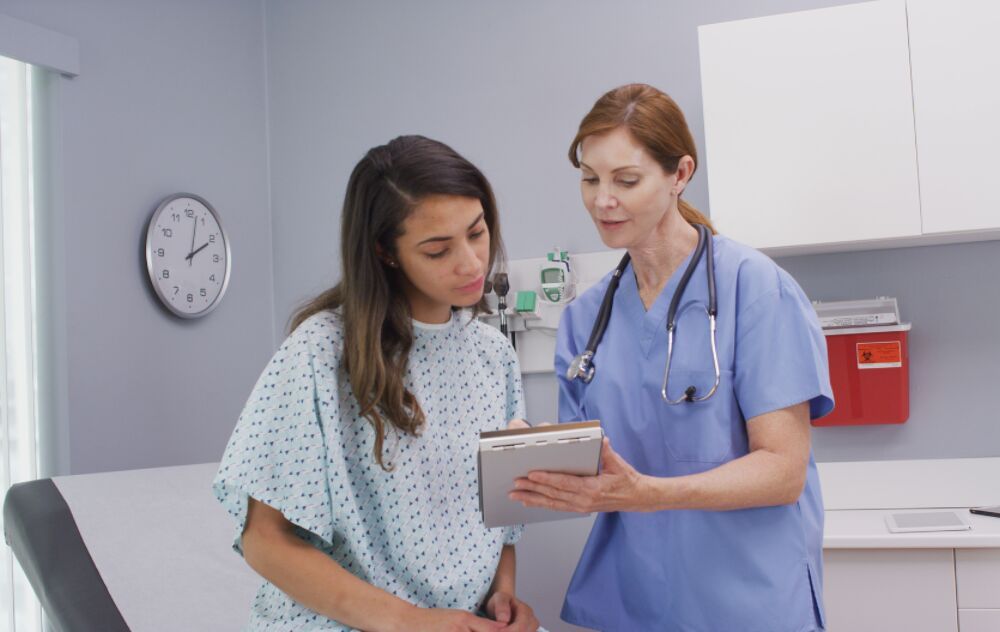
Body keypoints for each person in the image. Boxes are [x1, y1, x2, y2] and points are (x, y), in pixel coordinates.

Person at [508, 84, 834, 631]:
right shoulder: (587, 318)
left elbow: (782, 471)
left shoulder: (754, 290)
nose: (601, 200)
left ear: (680, 175)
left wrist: (648, 494)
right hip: (636, 601)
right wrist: (534, 458)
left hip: (747, 601)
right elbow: (596, 477)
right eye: (589, 179)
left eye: (625, 180)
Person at [214, 135, 540, 631]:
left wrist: (502, 599)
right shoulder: (321, 352)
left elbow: (497, 517)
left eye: (477, 233)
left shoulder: (493, 354)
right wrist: (410, 622)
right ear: (386, 253)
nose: (473, 263)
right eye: (438, 249)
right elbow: (265, 540)